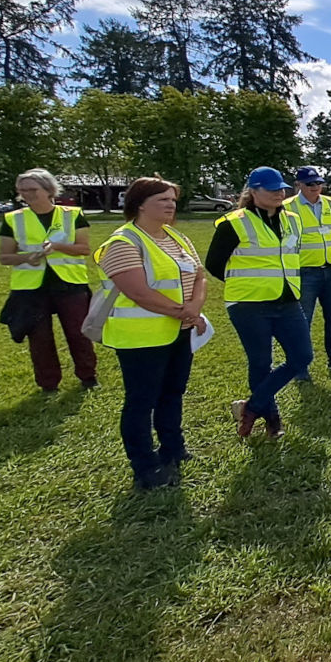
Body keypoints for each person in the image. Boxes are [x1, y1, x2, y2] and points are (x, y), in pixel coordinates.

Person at [95, 178, 208, 491]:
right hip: (141, 337)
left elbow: (200, 277)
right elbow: (139, 292)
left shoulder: (177, 237)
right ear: (140, 204)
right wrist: (184, 312)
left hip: (178, 332)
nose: (170, 205)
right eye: (162, 200)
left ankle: (173, 449)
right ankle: (145, 467)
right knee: (141, 401)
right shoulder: (123, 242)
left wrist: (194, 308)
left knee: (173, 393)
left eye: (172, 199)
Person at [204, 166, 311, 439]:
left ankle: (251, 407)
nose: (279, 193)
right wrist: (246, 283)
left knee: (302, 357)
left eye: (281, 189)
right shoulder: (234, 222)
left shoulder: (293, 220)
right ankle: (272, 420)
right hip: (248, 305)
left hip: (287, 300)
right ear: (253, 191)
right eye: (271, 189)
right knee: (261, 362)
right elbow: (214, 264)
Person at [0, 168, 97, 394]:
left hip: (70, 283)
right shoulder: (13, 219)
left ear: (48, 189)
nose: (27, 194)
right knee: (39, 338)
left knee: (78, 333)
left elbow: (84, 249)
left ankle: (88, 376)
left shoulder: (72, 215)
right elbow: (4, 257)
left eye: (32, 189)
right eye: (22, 190)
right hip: (30, 287)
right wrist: (26, 258)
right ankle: (48, 383)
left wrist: (58, 246)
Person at [286, 166, 331, 377]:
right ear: (299, 185)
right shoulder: (287, 207)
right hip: (305, 271)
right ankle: (299, 366)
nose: (315, 187)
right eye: (310, 184)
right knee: (302, 321)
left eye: (319, 183)